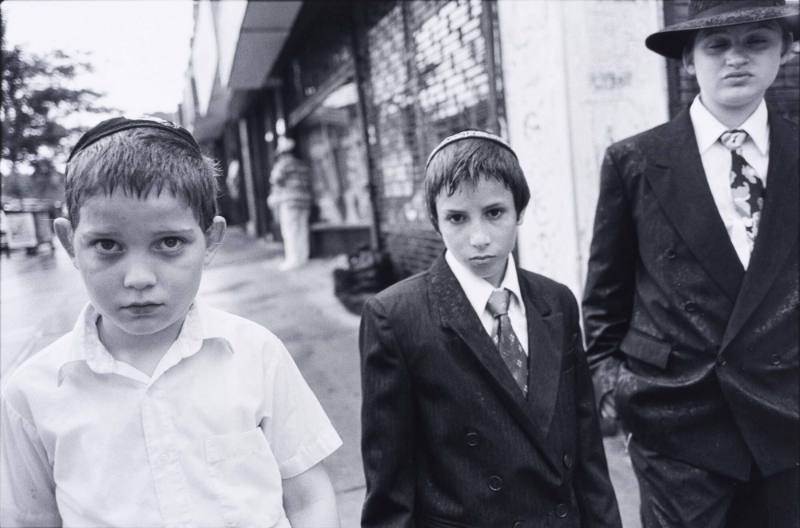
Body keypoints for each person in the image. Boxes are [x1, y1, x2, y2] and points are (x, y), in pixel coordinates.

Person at [0, 117, 342, 528]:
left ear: (210, 240)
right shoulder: (30, 395)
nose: (139, 278)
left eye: (169, 243)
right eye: (107, 245)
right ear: (69, 241)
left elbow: (306, 497)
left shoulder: (256, 353)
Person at [582, 1, 799, 527]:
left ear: (787, 52)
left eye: (756, 41)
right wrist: (616, 391)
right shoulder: (633, 162)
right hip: (676, 427)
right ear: (686, 61)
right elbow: (604, 302)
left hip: (788, 423)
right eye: (717, 45)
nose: (736, 59)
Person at [360, 130, 622, 527]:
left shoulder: (556, 302)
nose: (478, 238)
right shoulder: (396, 316)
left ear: (520, 211)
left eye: (494, 213)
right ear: (435, 219)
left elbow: (587, 452)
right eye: (457, 218)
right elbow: (389, 483)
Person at [268, 136, 312, 270]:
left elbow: (275, 180)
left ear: (282, 153)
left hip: (290, 201)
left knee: (290, 231)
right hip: (304, 201)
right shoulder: (301, 164)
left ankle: (292, 260)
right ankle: (303, 257)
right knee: (302, 229)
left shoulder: (282, 165)